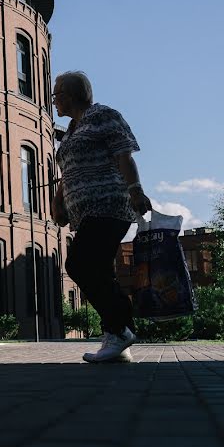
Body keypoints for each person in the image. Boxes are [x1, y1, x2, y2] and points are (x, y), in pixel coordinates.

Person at [51, 71, 152, 363]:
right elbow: (68, 171)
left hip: (110, 205)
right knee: (100, 271)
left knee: (78, 265)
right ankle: (118, 339)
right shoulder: (70, 129)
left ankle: (119, 329)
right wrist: (58, 202)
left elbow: (124, 156)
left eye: (56, 94)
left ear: (69, 95)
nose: (54, 101)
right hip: (84, 214)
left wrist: (136, 190)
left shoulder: (104, 116)